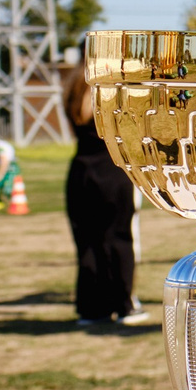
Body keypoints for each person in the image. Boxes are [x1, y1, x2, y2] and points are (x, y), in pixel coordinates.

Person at [60, 58, 149, 329]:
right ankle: (124, 304)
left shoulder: (72, 87)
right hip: (113, 171)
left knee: (87, 241)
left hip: (80, 172)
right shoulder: (108, 88)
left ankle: (91, 307)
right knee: (119, 239)